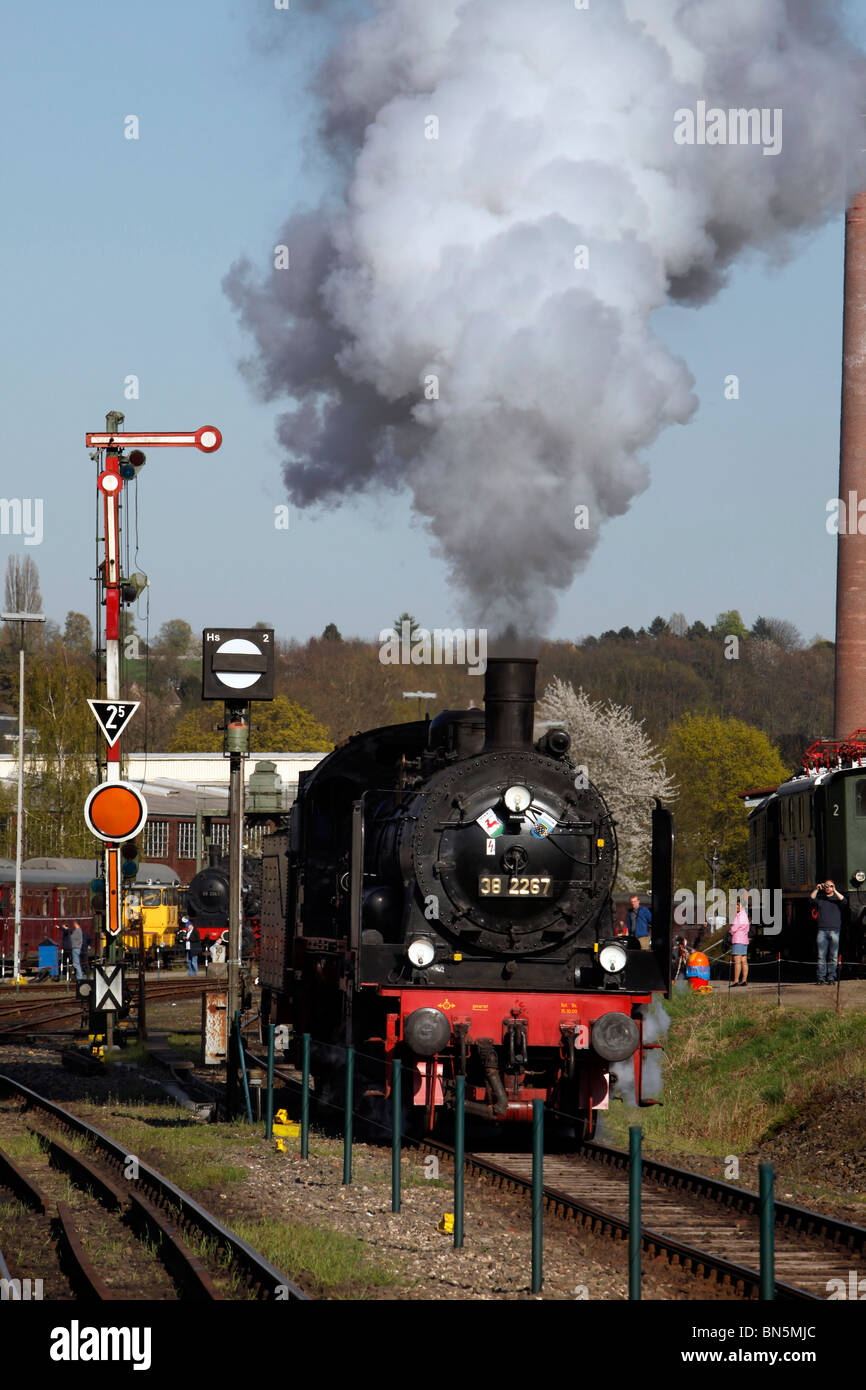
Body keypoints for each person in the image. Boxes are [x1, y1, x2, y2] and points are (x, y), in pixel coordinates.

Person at [810, 878, 845, 985]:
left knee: (833, 956)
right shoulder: (820, 898)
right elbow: (811, 899)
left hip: (835, 930)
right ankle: (821, 977)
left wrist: (834, 890)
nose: (828, 888)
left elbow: (844, 901)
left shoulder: (836, 898)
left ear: (833, 887)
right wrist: (816, 889)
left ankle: (831, 978)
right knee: (821, 956)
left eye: (830, 886)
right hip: (822, 930)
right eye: (826, 886)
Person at [730, 898, 751, 986]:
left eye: (738, 905)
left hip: (738, 939)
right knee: (744, 960)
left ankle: (736, 980)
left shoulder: (739, 916)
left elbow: (734, 927)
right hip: (744, 939)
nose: (736, 906)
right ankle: (744, 979)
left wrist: (730, 932)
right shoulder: (745, 916)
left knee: (737, 960)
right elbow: (747, 929)